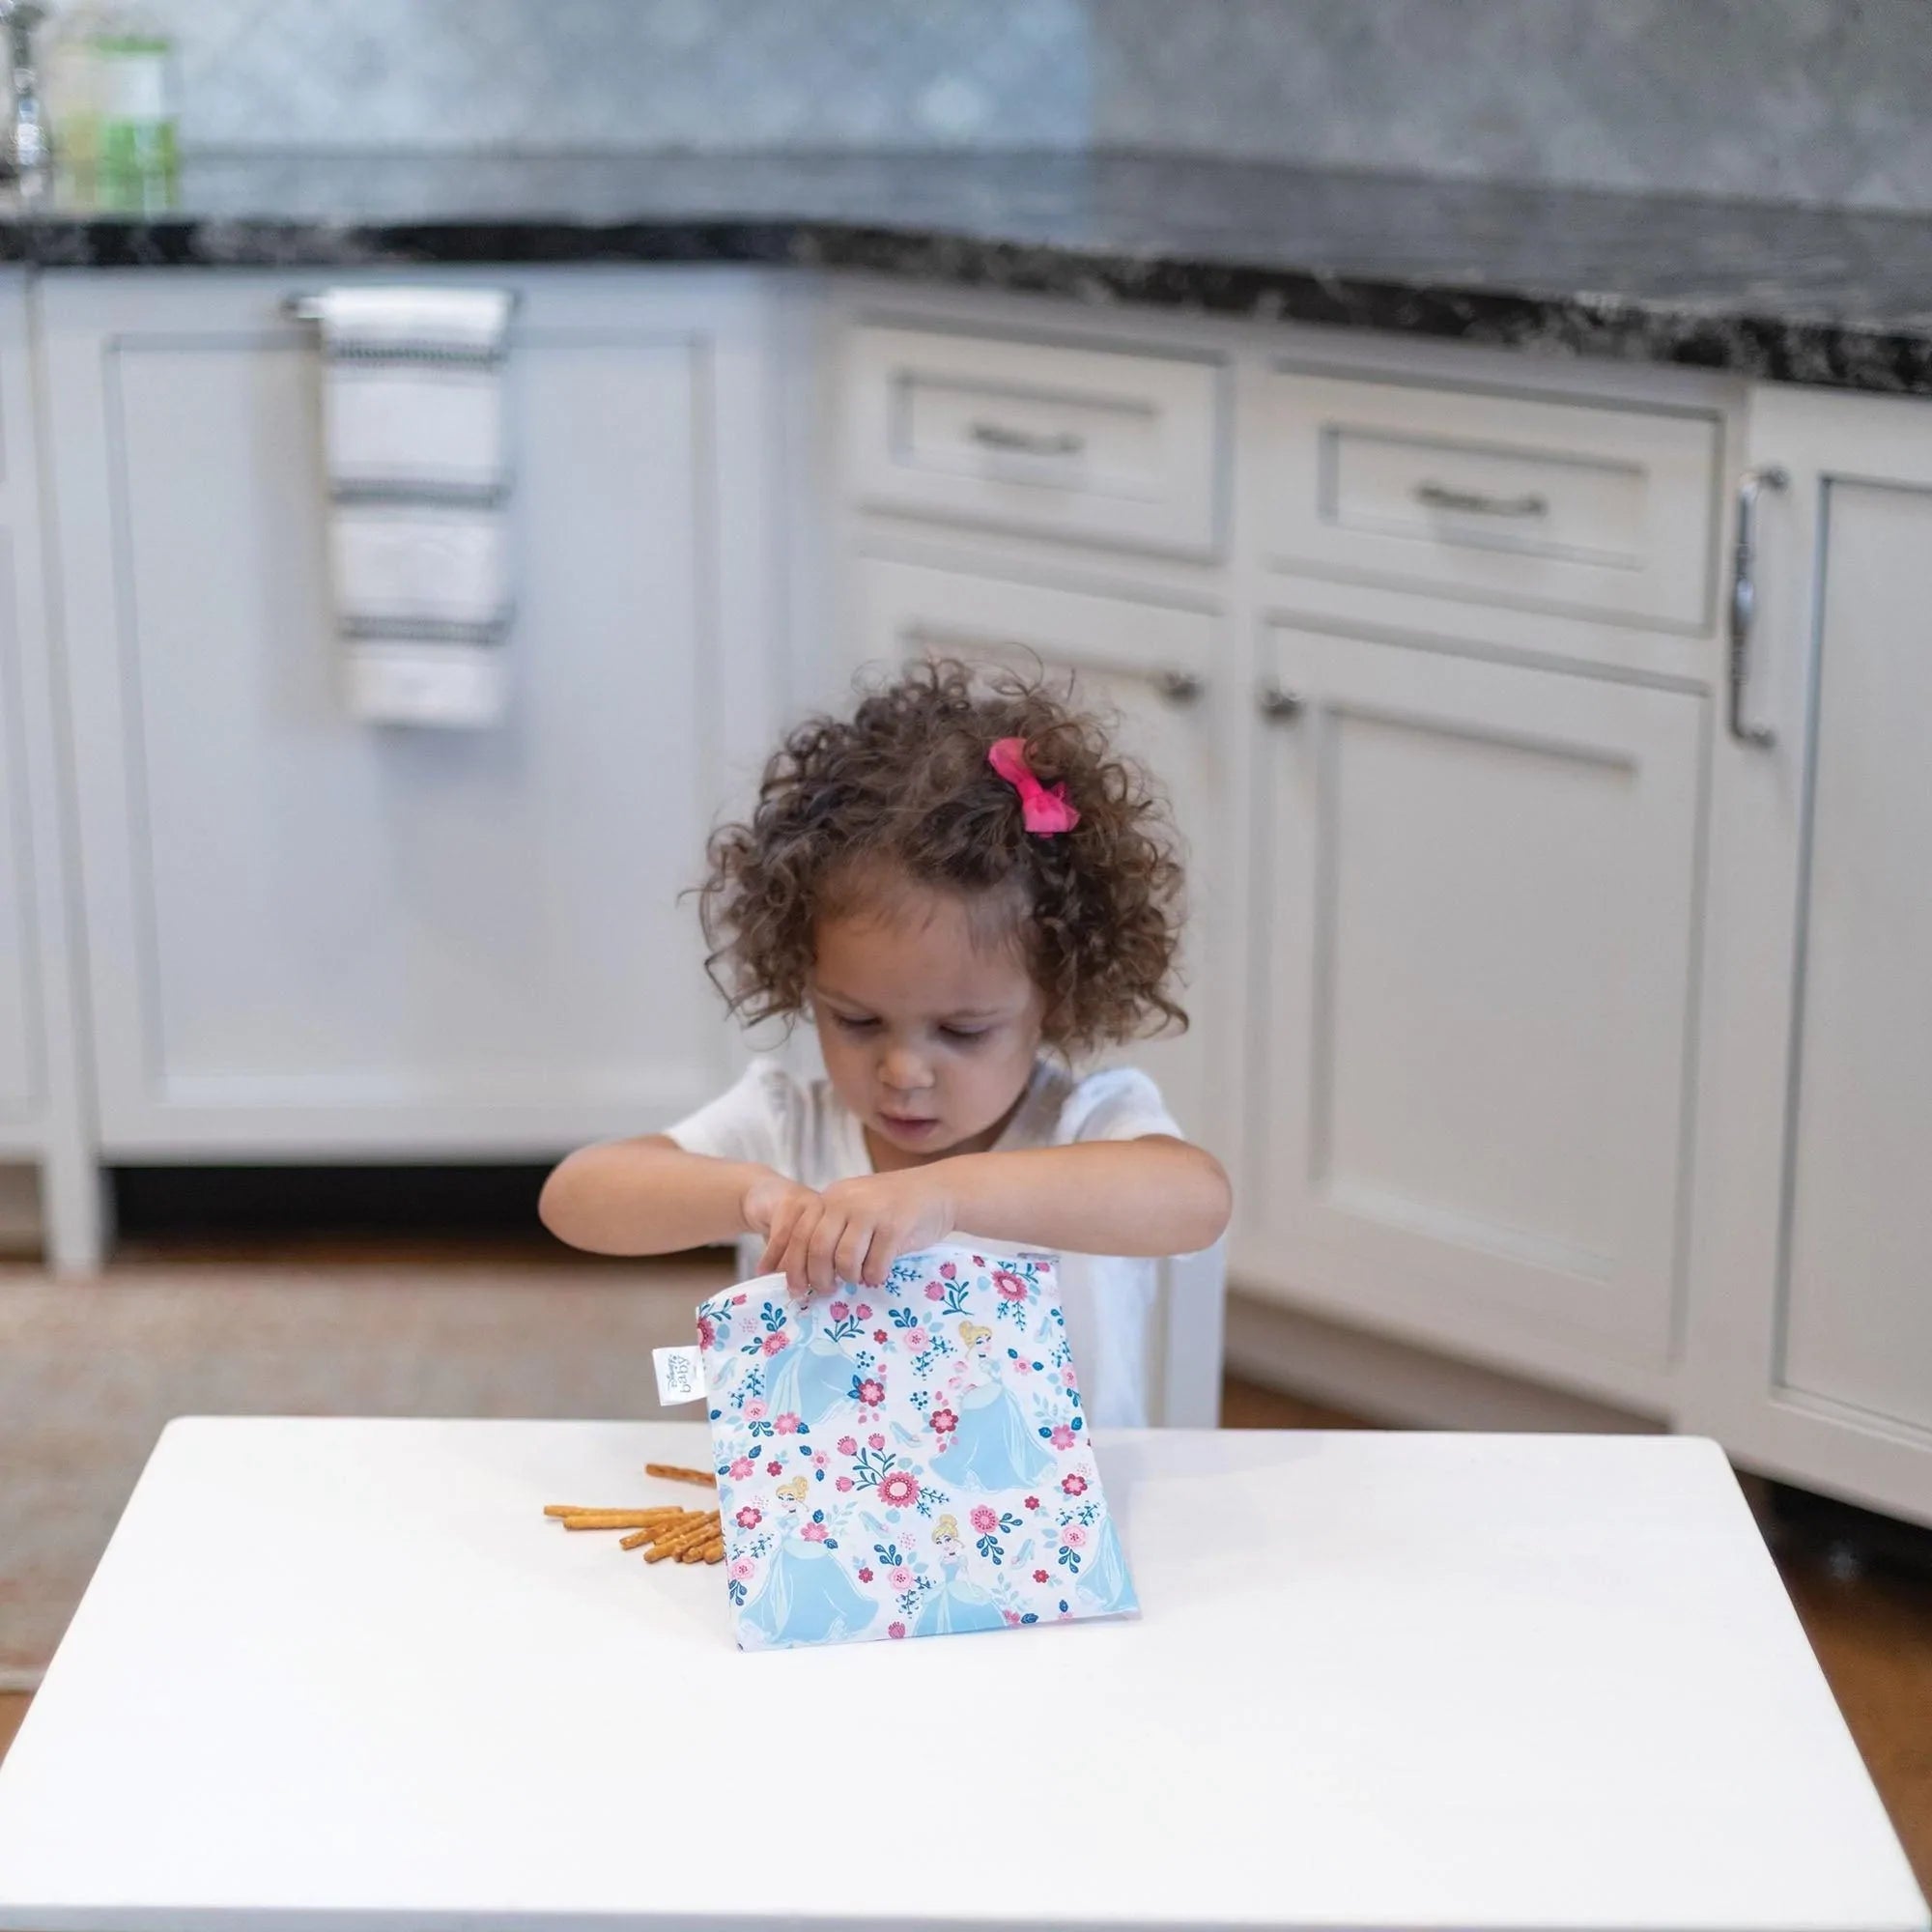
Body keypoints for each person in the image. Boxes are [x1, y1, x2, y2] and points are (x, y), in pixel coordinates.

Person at [540, 657, 1232, 1427]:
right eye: (857, 1021)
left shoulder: (1087, 1127)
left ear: (1058, 994)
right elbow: (575, 1196)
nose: (903, 1073)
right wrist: (749, 1195)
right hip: (827, 1531)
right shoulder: (787, 1125)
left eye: (963, 1032)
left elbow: (1196, 1201)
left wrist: (939, 1197)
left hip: (1054, 1537)